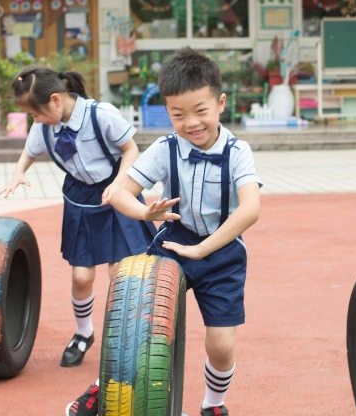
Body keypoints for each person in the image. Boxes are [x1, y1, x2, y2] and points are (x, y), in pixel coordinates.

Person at [66, 47, 262, 416]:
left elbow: (251, 209)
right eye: (178, 114)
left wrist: (204, 250)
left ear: (220, 103)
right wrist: (145, 211)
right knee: (138, 328)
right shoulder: (165, 148)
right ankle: (103, 391)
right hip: (174, 241)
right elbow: (119, 193)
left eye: (200, 111)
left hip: (221, 252)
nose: (191, 123)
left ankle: (213, 405)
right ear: (167, 112)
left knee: (220, 344)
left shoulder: (238, 151)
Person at [0, 66, 155, 368]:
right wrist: (19, 172)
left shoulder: (101, 115)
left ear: (55, 100)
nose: (36, 120)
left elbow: (131, 148)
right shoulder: (44, 127)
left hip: (116, 191)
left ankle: (127, 337)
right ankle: (84, 333)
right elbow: (30, 152)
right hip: (80, 199)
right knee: (81, 276)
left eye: (36, 114)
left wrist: (119, 183)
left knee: (120, 273)